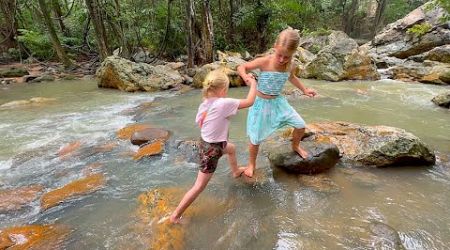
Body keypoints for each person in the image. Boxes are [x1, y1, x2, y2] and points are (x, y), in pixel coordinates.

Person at [169, 69, 257, 224]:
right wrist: (253, 84)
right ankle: (175, 216)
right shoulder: (224, 103)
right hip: (212, 149)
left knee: (231, 149)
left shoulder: (204, 104)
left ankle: (236, 172)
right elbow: (250, 101)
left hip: (207, 143)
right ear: (223, 90)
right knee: (199, 186)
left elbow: (201, 122)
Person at [237, 27, 317, 178]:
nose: (281, 60)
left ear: (293, 54)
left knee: (300, 125)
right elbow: (242, 66)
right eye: (280, 55)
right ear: (275, 46)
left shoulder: (291, 65)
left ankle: (295, 146)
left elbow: (292, 77)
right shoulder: (265, 61)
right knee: (255, 138)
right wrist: (245, 77)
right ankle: (251, 164)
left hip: (278, 103)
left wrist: (305, 90)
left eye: (286, 57)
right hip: (261, 104)